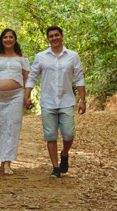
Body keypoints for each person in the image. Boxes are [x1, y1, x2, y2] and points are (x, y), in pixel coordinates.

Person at [24, 26, 86, 178]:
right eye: (51, 36)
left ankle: (64, 154)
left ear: (62, 36)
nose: (54, 38)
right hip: (47, 102)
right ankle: (56, 167)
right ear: (48, 39)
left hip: (66, 101)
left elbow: (79, 78)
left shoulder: (72, 56)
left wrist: (83, 100)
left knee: (68, 134)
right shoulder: (41, 57)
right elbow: (32, 77)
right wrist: (27, 96)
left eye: (56, 35)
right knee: (50, 135)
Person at [0, 28, 30, 175]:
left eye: (11, 37)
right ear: (2, 40)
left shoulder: (22, 58)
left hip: (15, 96)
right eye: (5, 37)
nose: (8, 39)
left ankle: (7, 163)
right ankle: (3, 159)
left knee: (12, 127)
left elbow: (27, 78)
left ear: (15, 40)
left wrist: (27, 96)